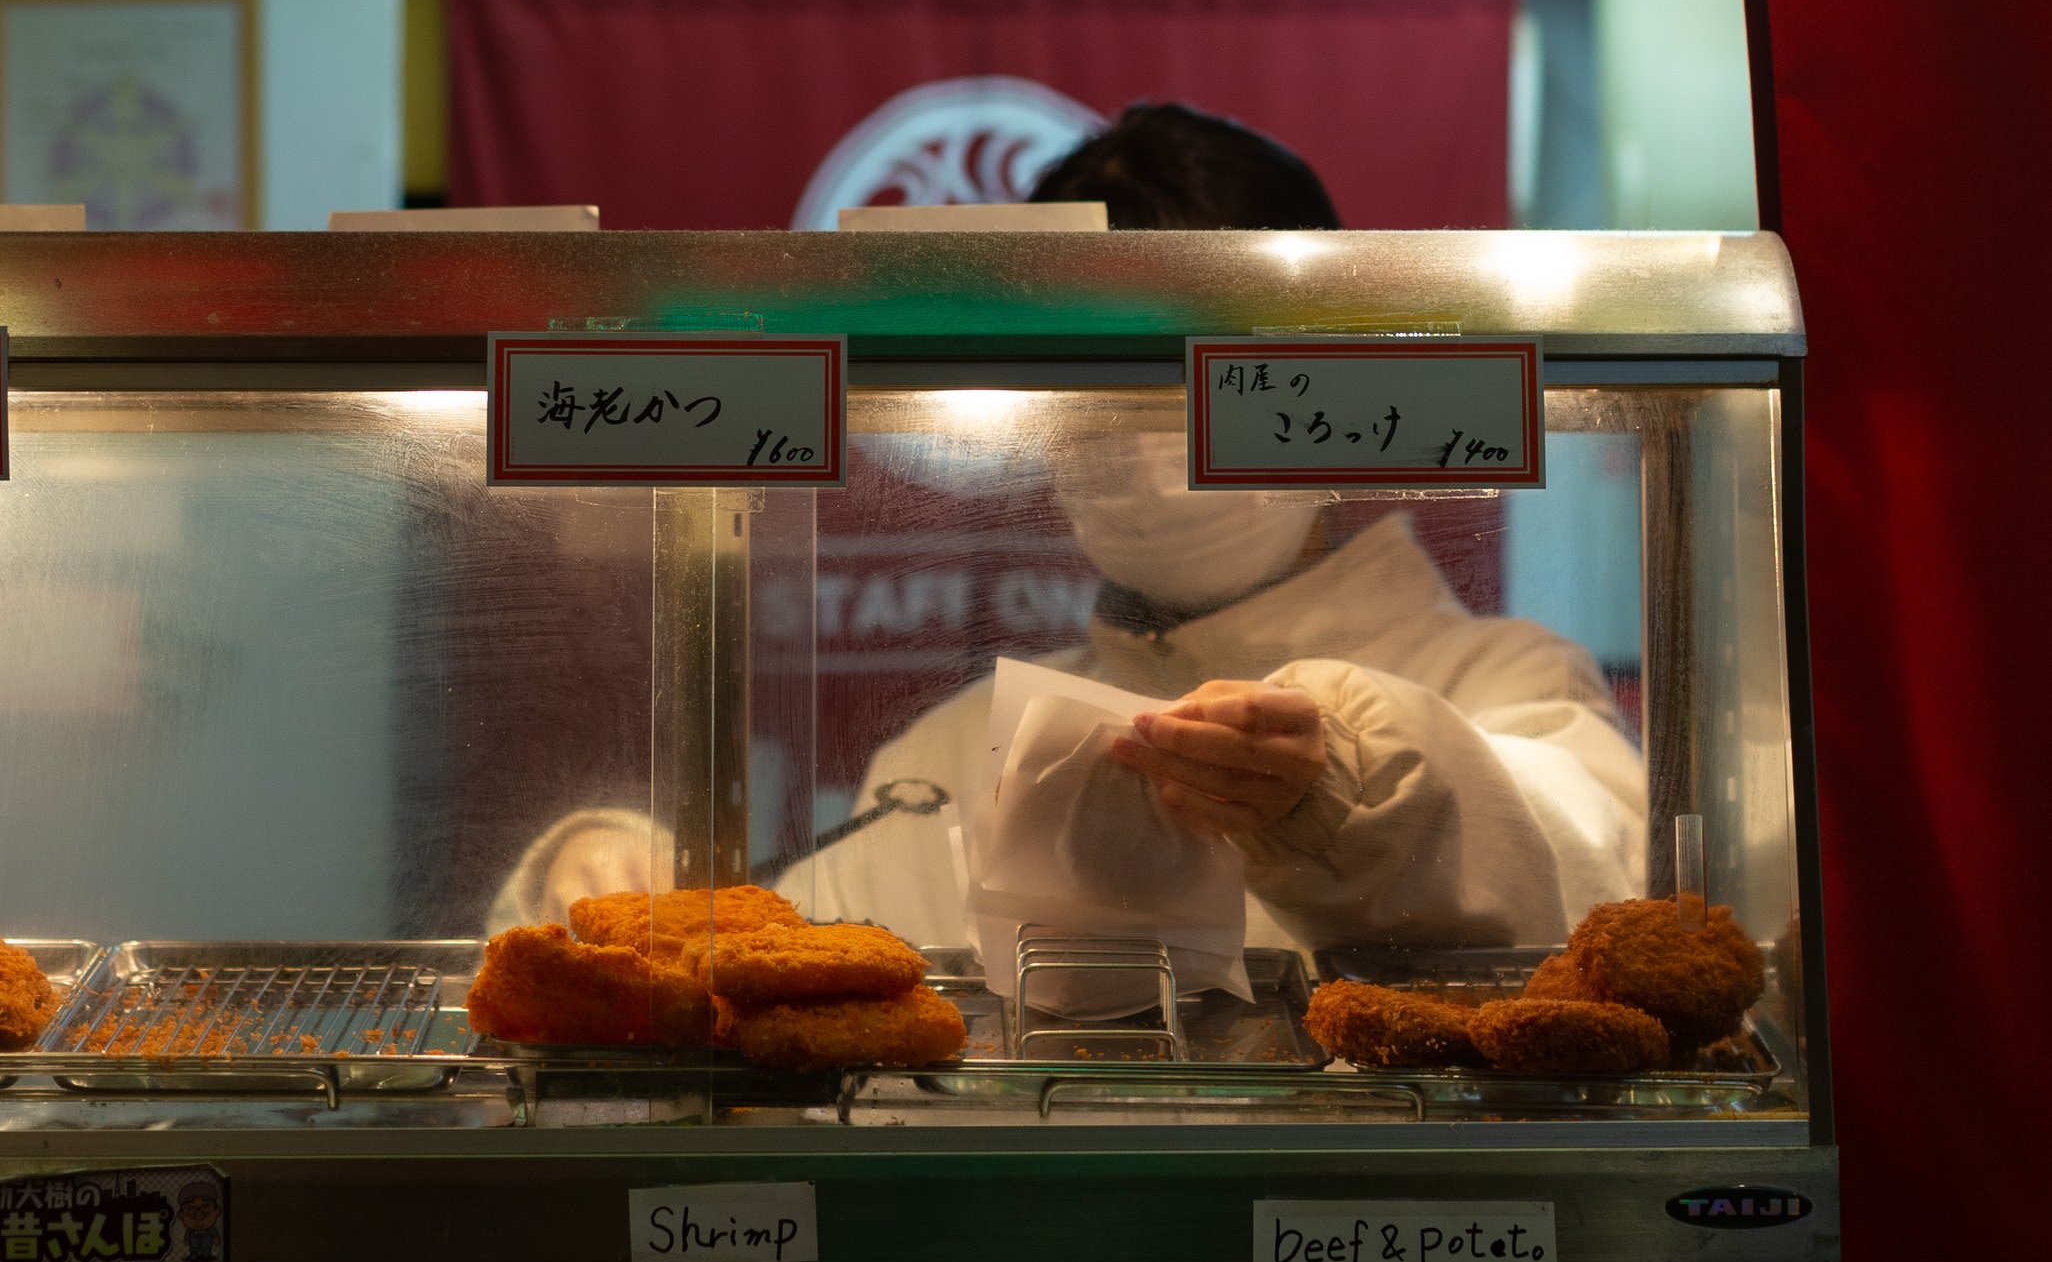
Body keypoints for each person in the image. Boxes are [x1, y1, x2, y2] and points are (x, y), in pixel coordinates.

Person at [487, 101, 1643, 957]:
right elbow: (806, 970)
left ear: (1320, 393)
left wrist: (1359, 782)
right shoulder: (956, 750)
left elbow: (1580, 858)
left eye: (1195, 382)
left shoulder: (1503, 688)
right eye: (1098, 390)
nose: (1142, 442)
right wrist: (622, 898)